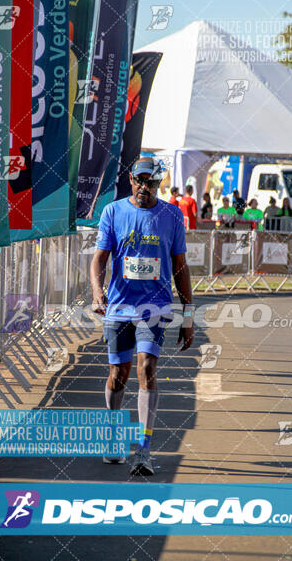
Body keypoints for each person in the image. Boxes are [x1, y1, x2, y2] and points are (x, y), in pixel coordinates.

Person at [90, 157, 194, 476]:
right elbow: (99, 260)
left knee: (147, 367)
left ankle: (144, 448)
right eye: (140, 181)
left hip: (156, 306)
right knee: (118, 372)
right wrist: (97, 292)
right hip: (120, 306)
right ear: (131, 180)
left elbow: (180, 265)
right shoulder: (113, 211)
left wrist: (188, 314)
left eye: (151, 183)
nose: (144, 188)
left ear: (159, 184)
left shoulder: (172, 214)